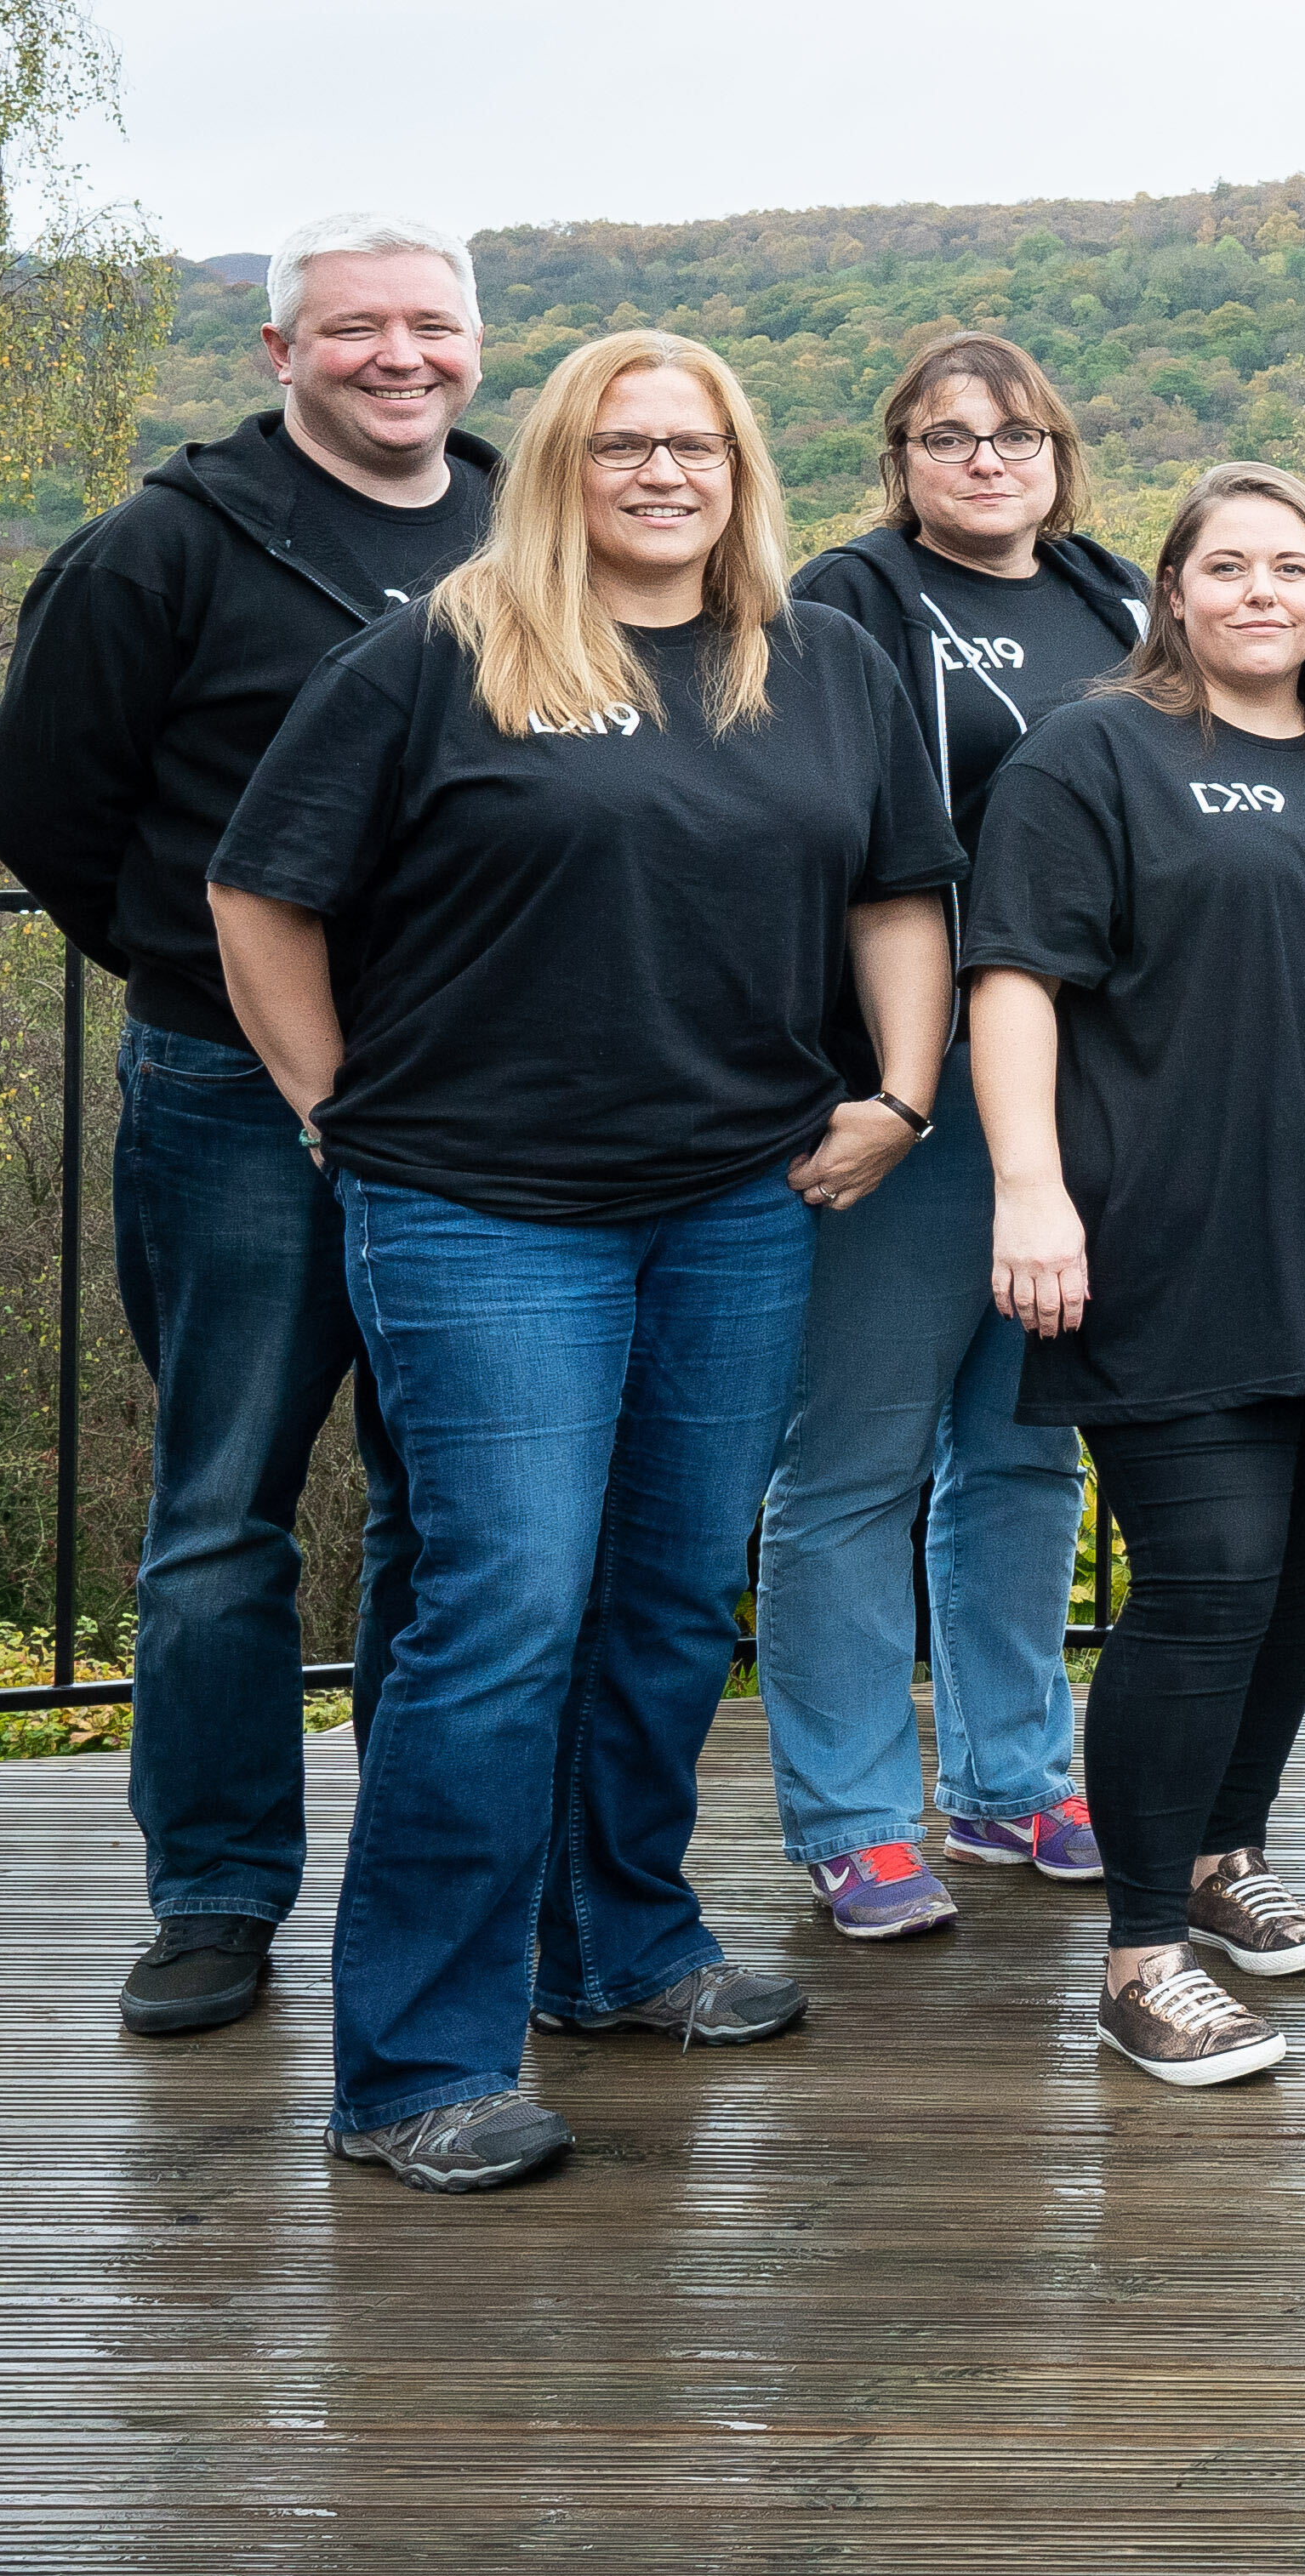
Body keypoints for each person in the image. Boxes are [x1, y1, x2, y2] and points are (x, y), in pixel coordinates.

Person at [206, 330, 955, 2190]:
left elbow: (896, 889)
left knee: (673, 1596)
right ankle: (412, 2067)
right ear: (558, 464)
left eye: (693, 444)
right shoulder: (440, 656)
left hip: (734, 1201)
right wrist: (330, 1107)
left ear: (740, 466)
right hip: (478, 1206)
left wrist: (907, 1092)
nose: (660, 473)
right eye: (621, 444)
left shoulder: (831, 663)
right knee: (507, 1614)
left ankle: (619, 1951)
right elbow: (258, 888)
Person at [0, 210, 497, 2039]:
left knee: (463, 1515)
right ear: (279, 354)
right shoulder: (164, 549)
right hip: (227, 1095)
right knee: (221, 1512)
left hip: (486, 1105)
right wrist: (204, 985)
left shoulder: (540, 533)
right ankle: (213, 1891)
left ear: (478, 344)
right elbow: (45, 806)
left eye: (431, 326)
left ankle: (444, 1879)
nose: (398, 357)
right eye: (353, 330)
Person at [967, 467, 1305, 2086]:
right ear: (1173, 591)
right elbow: (1017, 983)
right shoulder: (1092, 754)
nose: (1263, 591)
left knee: (1279, 1581)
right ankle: (1138, 1955)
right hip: (1176, 1241)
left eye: (1293, 567)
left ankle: (1220, 1856)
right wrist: (1031, 1193)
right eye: (1227, 565)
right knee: (1201, 1579)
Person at [757, 333, 1143, 1939]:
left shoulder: (1116, 602)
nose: (988, 461)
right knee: (851, 1464)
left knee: (1021, 1448)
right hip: (907, 1096)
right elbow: (829, 842)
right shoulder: (847, 601)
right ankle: (852, 1814)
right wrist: (889, 1083)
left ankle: (1011, 1778)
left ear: (1058, 450)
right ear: (899, 459)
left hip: (1080, 1090)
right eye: (948, 437)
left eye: (1016, 435)